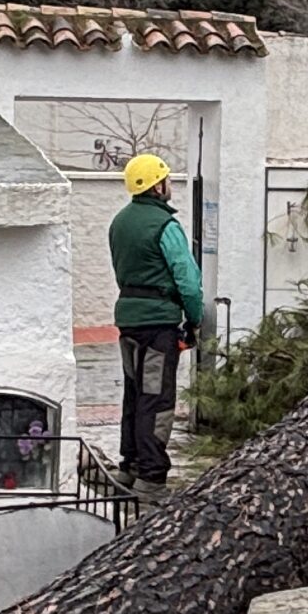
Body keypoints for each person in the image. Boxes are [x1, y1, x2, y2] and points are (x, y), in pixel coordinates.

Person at [110, 153, 205, 497]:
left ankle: (130, 467)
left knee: (134, 393)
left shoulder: (119, 222)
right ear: (157, 185)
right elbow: (188, 281)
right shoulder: (166, 226)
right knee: (157, 398)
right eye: (166, 179)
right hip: (158, 324)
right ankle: (151, 477)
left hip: (128, 322)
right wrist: (194, 320)